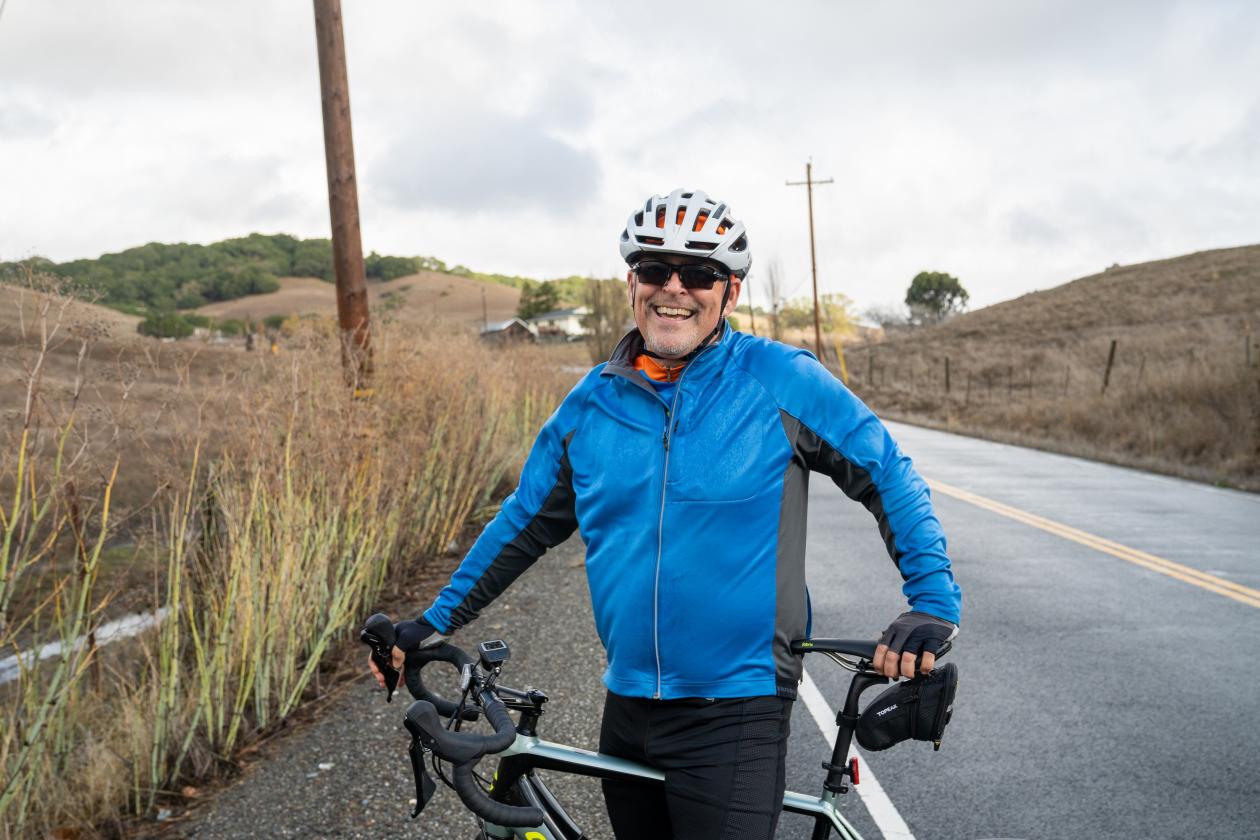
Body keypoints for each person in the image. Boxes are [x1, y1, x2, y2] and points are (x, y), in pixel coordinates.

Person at [369, 188, 961, 839]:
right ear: (632, 282)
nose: (674, 289)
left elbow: (889, 474)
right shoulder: (590, 405)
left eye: (699, 273)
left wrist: (932, 600)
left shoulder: (780, 380)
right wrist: (429, 622)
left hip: (736, 708)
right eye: (656, 270)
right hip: (628, 707)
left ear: (729, 293)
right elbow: (524, 523)